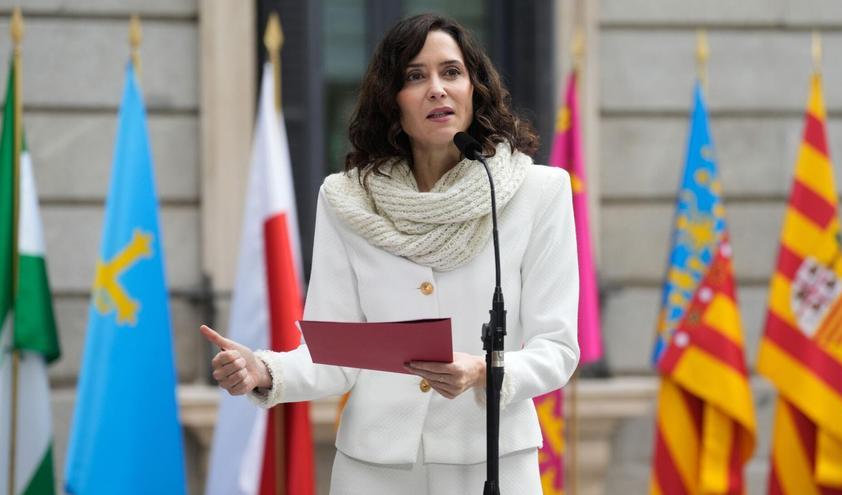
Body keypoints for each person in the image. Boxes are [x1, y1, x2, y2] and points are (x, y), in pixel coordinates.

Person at [200, 13, 579, 494]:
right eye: (415, 77)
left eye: (451, 72)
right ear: (392, 100)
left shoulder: (538, 191)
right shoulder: (346, 199)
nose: (437, 89)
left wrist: (484, 372)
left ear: (474, 89)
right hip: (372, 470)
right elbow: (334, 356)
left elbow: (557, 348)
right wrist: (264, 370)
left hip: (490, 462)